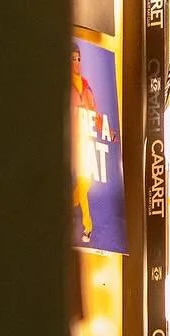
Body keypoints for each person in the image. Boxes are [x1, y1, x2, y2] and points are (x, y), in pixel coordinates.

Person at [71, 45, 98, 244]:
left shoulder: (86, 86)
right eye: (73, 59)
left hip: (88, 139)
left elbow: (95, 112)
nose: (77, 63)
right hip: (74, 141)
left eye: (78, 59)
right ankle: (88, 226)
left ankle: (71, 203)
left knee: (85, 182)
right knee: (83, 180)